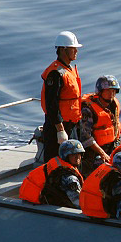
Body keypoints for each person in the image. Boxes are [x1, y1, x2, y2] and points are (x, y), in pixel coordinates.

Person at [41, 31, 83, 162]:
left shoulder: (69, 69)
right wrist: (60, 130)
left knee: (72, 162)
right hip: (58, 127)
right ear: (63, 49)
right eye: (73, 48)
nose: (76, 51)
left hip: (71, 125)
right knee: (56, 163)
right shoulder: (55, 73)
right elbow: (51, 103)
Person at [19, 139, 85, 208]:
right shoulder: (69, 178)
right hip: (41, 206)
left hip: (31, 200)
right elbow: (79, 203)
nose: (77, 157)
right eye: (73, 155)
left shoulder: (58, 165)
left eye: (79, 154)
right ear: (66, 156)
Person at [79, 75, 121, 177]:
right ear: (100, 91)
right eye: (108, 91)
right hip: (93, 152)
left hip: (111, 146)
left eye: (114, 91)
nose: (111, 94)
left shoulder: (113, 106)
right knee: (105, 172)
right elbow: (85, 137)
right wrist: (103, 154)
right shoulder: (88, 110)